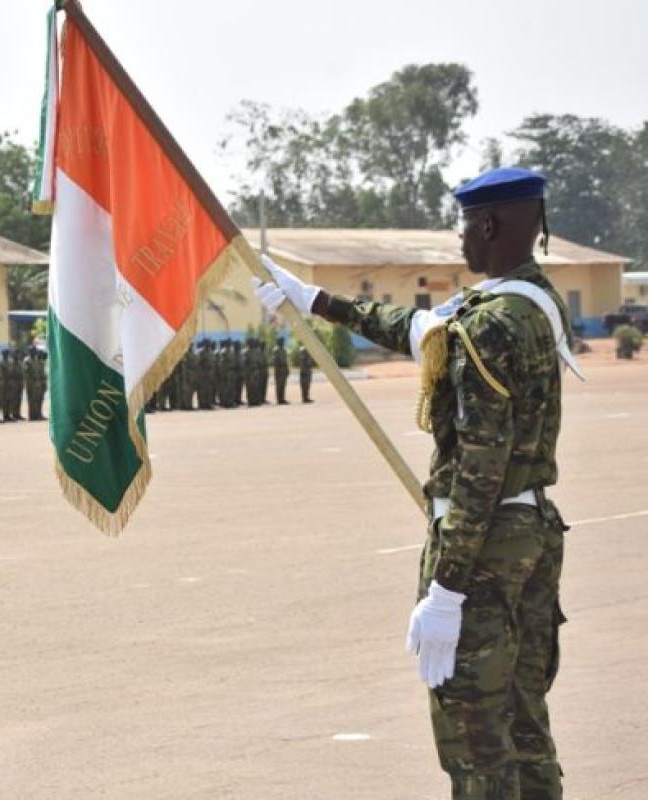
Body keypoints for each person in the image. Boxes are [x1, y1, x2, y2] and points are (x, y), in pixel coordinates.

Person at [252, 166, 573, 798]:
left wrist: (449, 590)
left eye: (465, 227)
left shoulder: (489, 323)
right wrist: (315, 300)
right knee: (523, 719)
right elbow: (422, 330)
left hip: (484, 550)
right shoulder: (533, 304)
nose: (461, 242)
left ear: (489, 224)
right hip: (532, 532)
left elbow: (482, 466)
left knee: (476, 737)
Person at [272, 336, 290, 405]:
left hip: (284, 370)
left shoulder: (284, 350)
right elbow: (275, 361)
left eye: (283, 341)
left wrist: (287, 369)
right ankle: (279, 399)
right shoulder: (276, 350)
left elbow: (286, 361)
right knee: (279, 385)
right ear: (278, 342)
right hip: (279, 370)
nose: (283, 343)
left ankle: (282, 398)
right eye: (281, 341)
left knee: (283, 385)